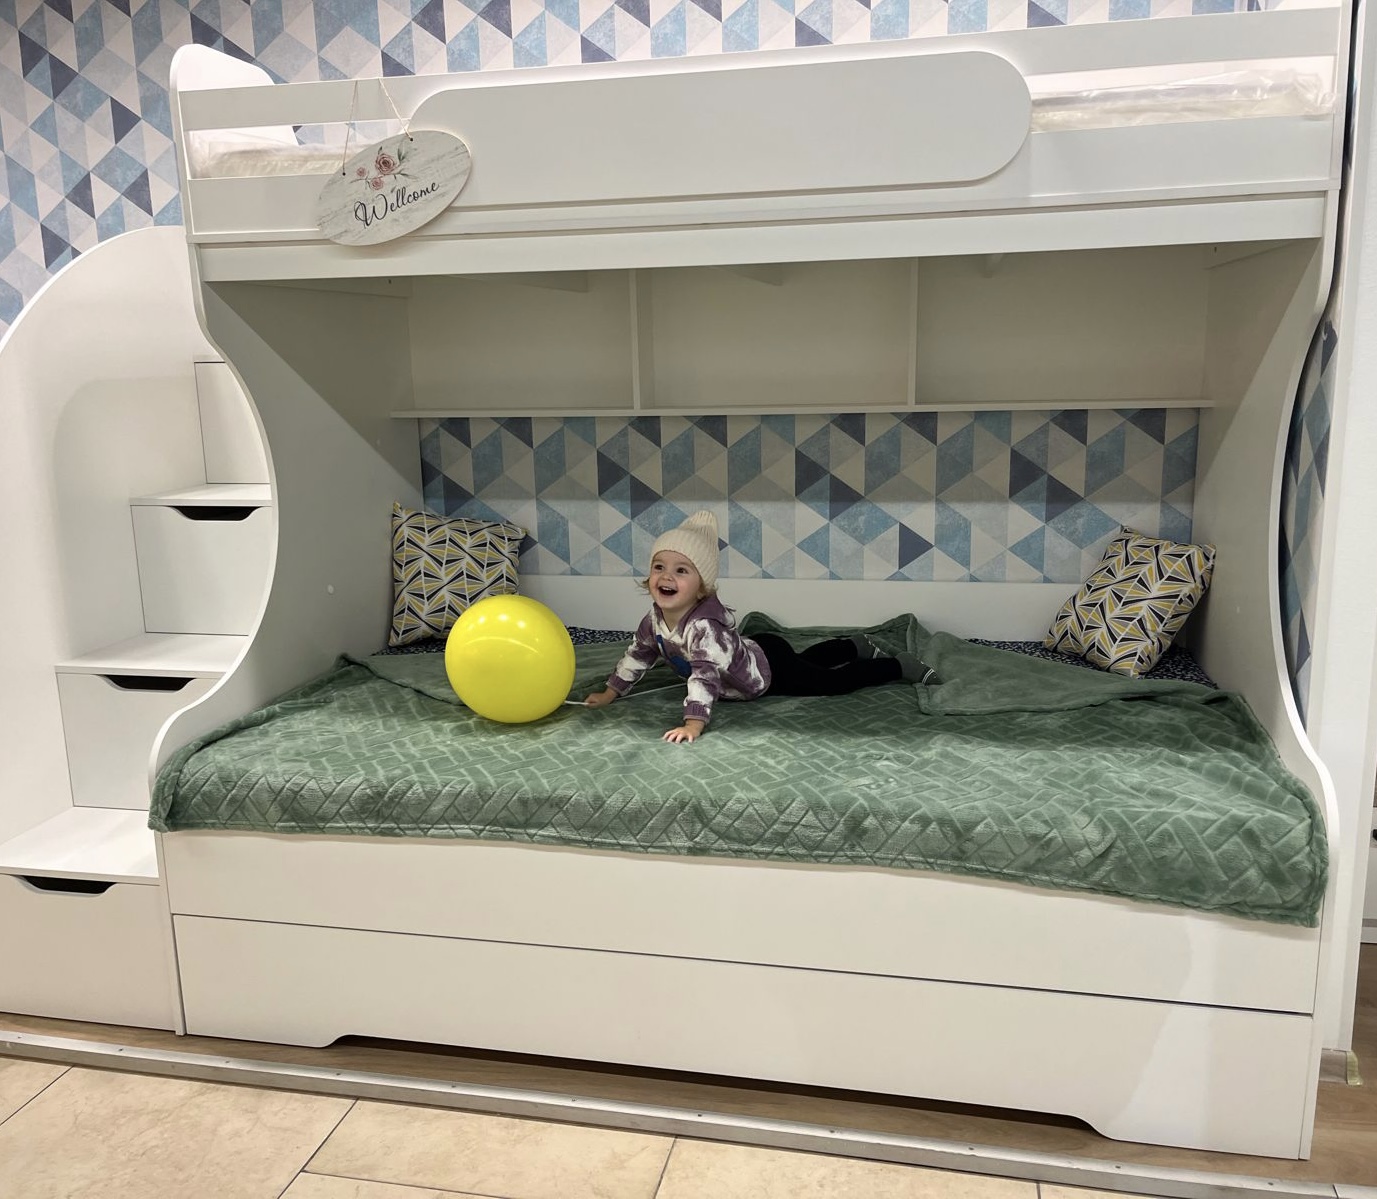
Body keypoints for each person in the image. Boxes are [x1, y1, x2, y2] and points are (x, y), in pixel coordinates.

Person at [584, 510, 939, 743]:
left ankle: (896, 666)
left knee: (829, 682)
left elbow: (704, 676)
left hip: (766, 673)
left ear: (702, 587)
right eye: (659, 567)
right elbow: (638, 655)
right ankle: (853, 645)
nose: (666, 576)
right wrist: (611, 693)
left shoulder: (705, 628)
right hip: (760, 649)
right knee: (807, 662)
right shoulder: (653, 621)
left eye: (681, 570)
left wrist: (694, 722)